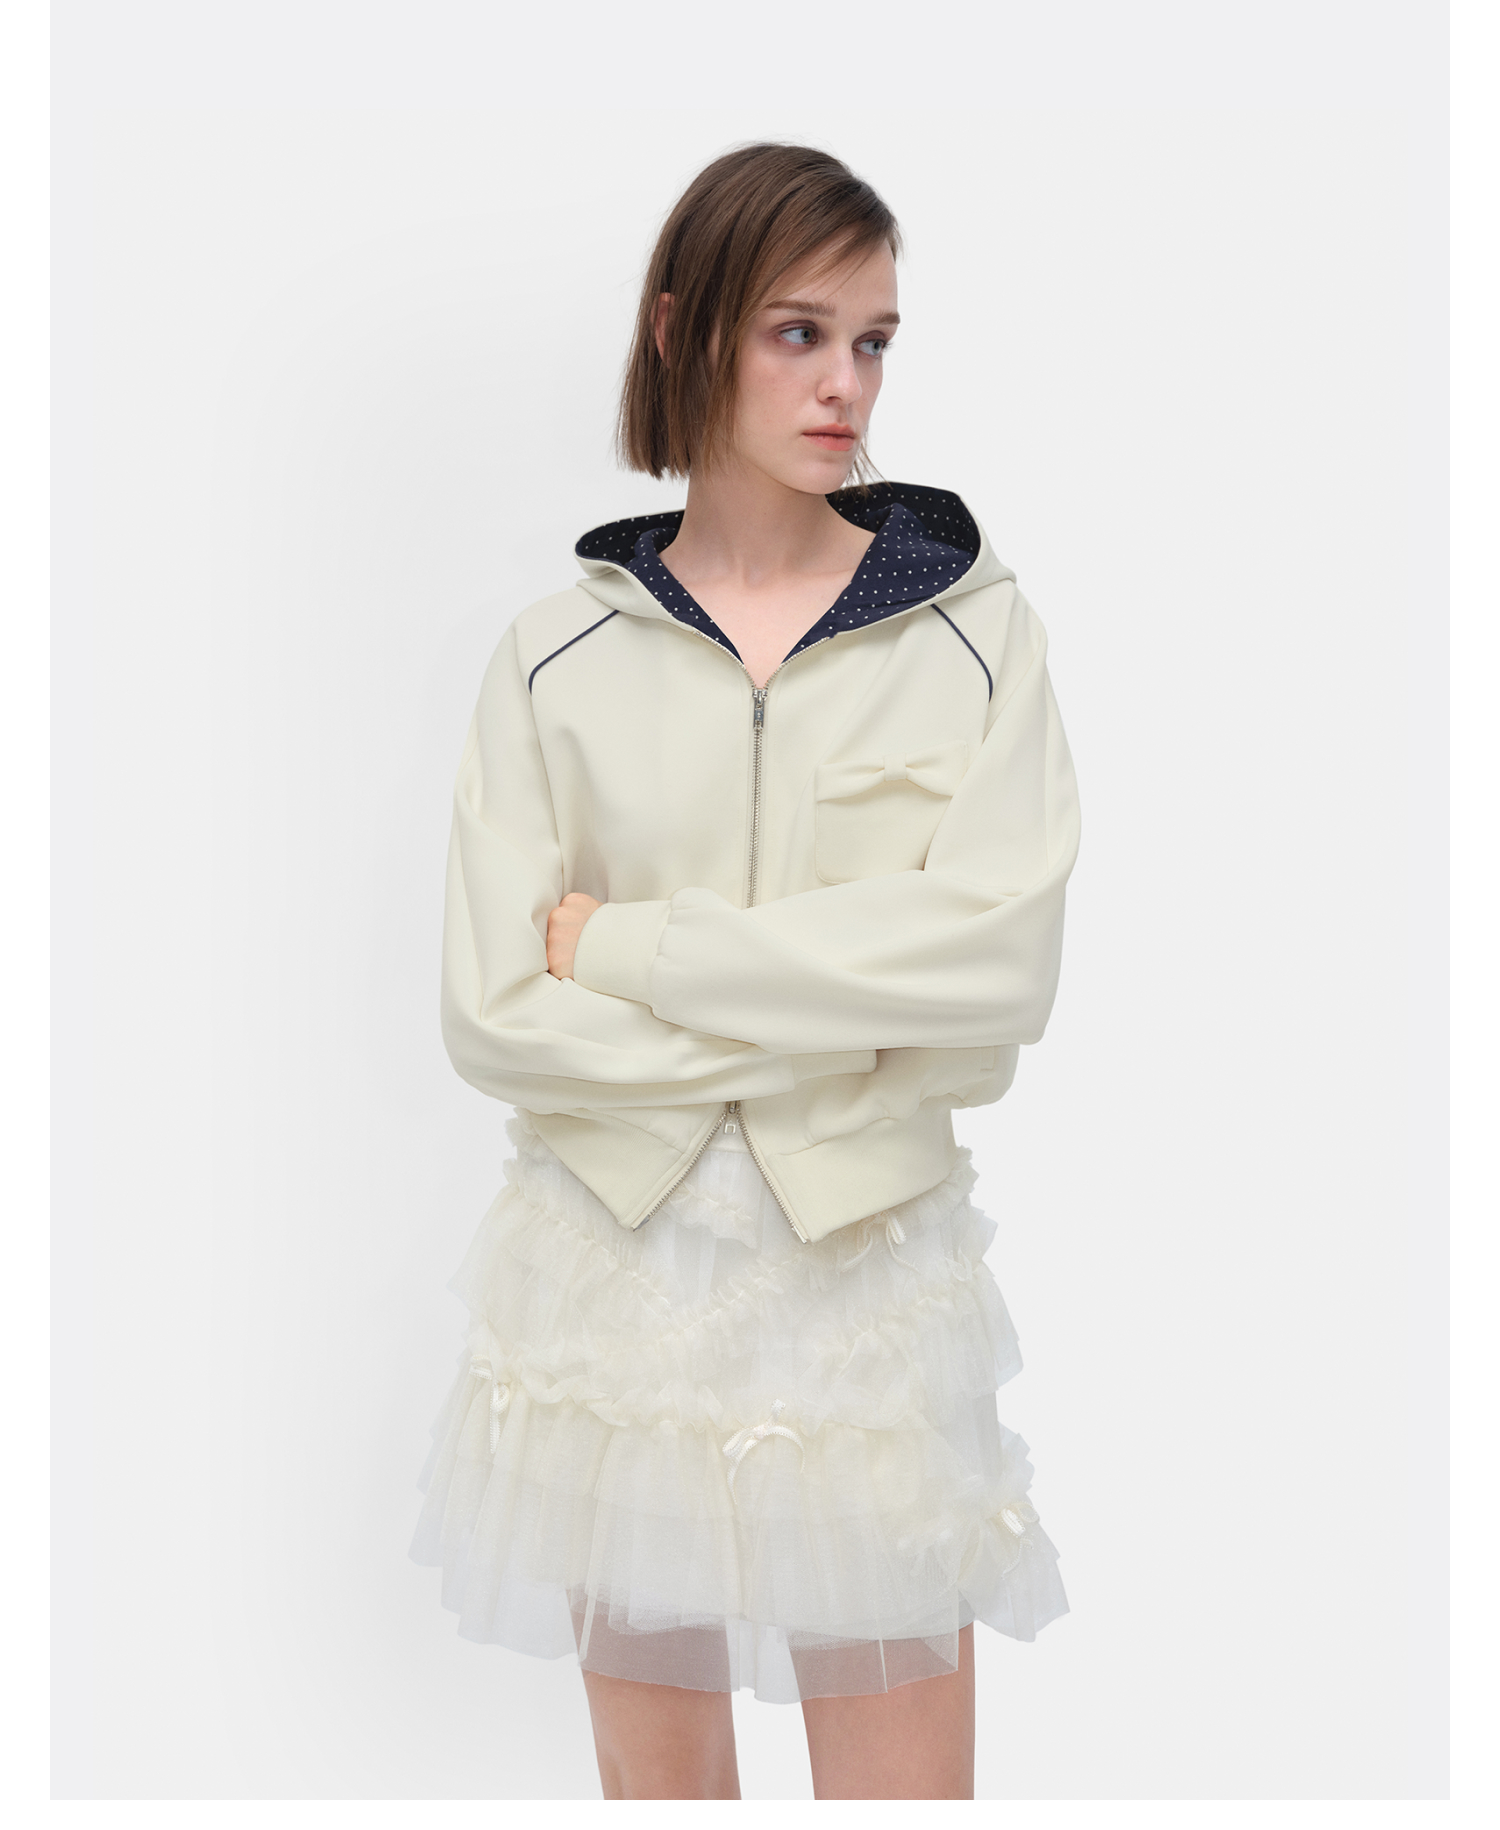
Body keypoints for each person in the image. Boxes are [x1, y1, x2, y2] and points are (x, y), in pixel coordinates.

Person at [410, 142, 1081, 1800]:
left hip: (868, 1284)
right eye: (799, 332)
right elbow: (496, 1012)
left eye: (874, 339)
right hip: (615, 1277)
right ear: (681, 330)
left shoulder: (975, 631)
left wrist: (631, 950)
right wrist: (844, 1021)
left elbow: (995, 968)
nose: (847, 383)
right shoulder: (555, 655)